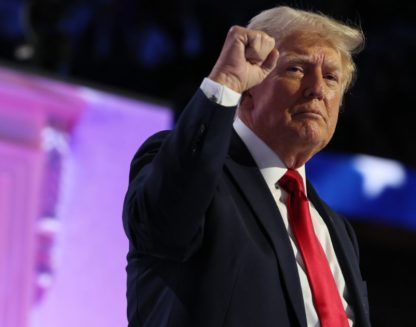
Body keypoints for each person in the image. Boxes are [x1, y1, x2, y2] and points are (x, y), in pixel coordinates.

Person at [123, 6, 370, 327]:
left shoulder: (335, 229)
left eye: (331, 77)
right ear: (249, 87)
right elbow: (164, 226)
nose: (318, 88)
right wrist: (224, 82)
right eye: (296, 69)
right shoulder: (190, 169)